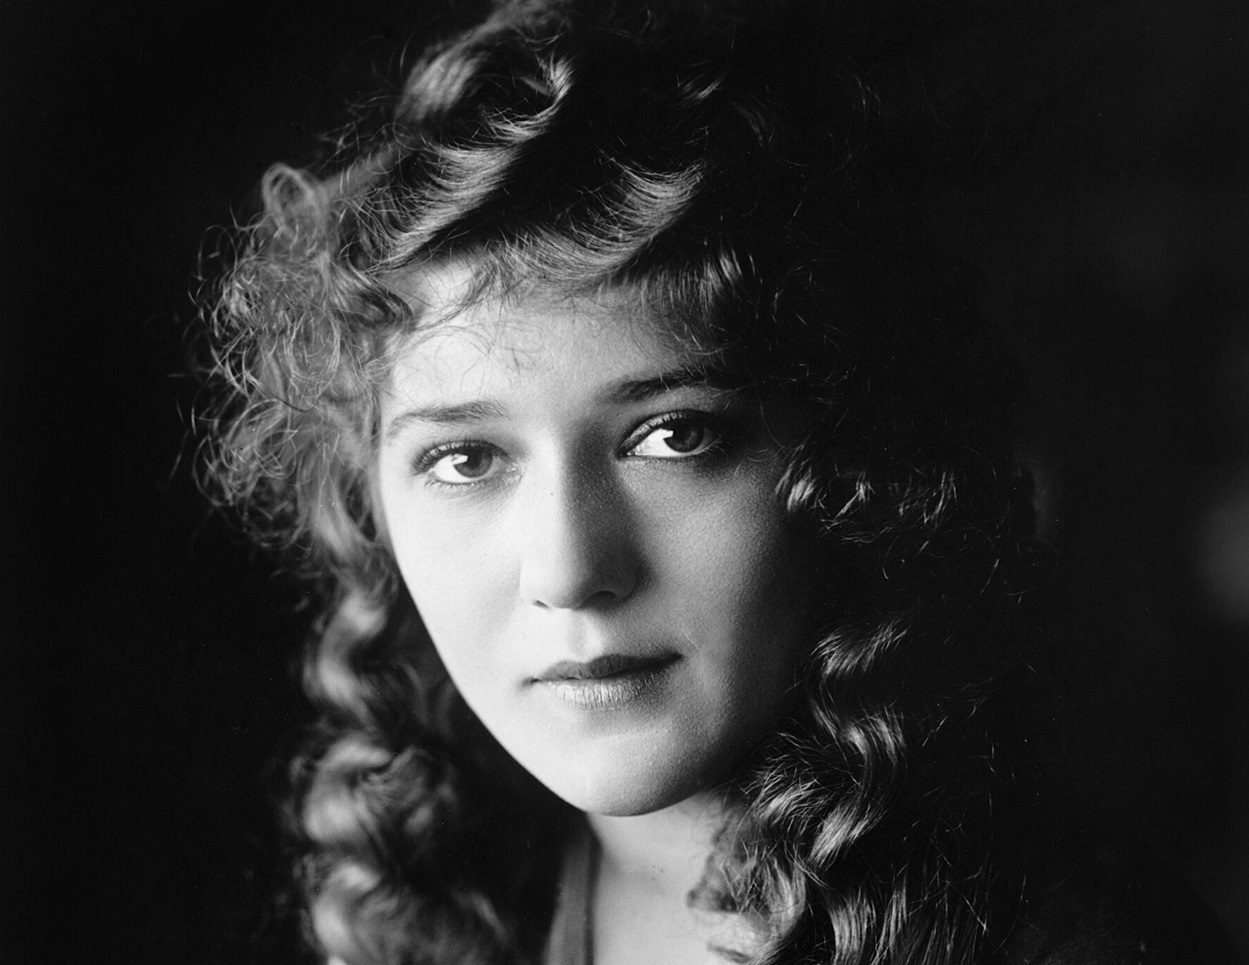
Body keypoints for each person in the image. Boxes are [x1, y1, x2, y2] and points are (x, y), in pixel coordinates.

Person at [199, 2, 1233, 963]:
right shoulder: (445, 910)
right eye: (465, 459)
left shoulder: (1066, 935)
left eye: (673, 435)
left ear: (851, 471)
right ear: (373, 501)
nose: (569, 571)